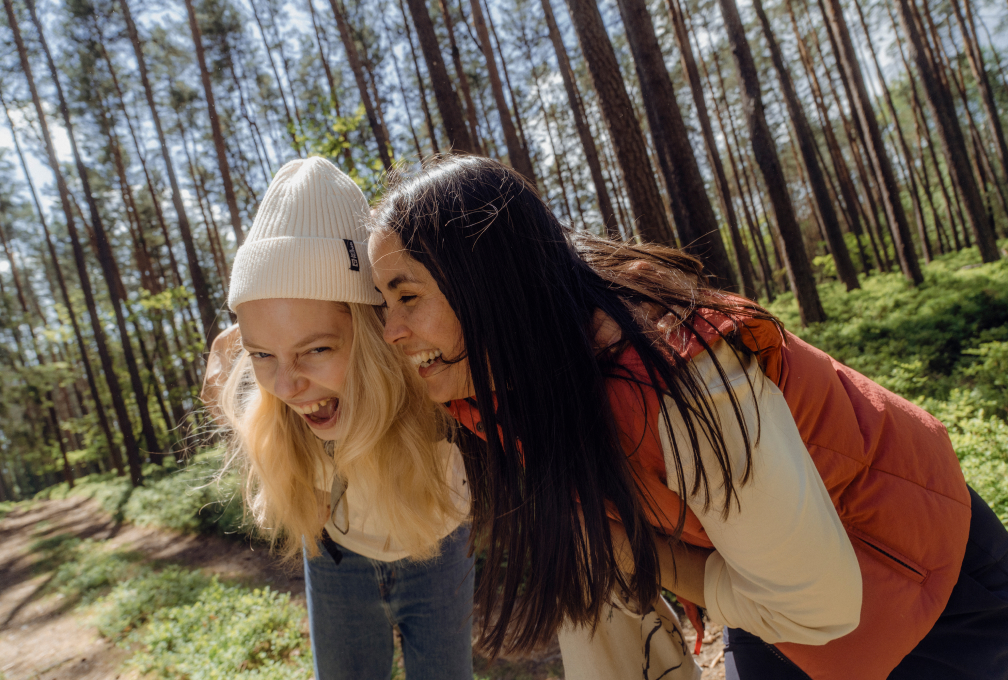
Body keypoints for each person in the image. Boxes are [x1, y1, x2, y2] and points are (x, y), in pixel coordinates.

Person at [367, 155, 1008, 680]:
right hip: (786, 600)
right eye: (381, 305)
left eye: (407, 297)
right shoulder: (497, 385)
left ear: (490, 284)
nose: (391, 332)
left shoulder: (681, 377)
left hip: (929, 582)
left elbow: (817, 605)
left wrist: (642, 555)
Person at [202, 157, 474, 680]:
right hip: (336, 558)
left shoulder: (439, 379)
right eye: (263, 355)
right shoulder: (279, 407)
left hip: (440, 549)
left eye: (317, 348)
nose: (286, 387)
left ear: (375, 333)